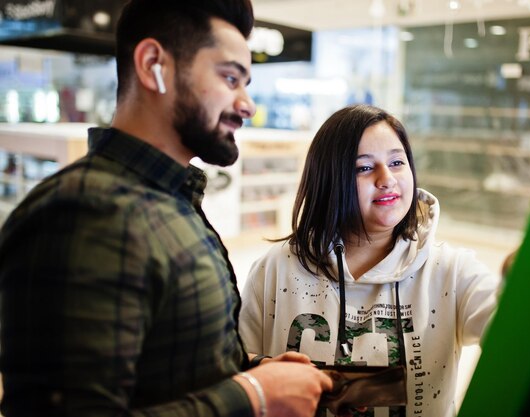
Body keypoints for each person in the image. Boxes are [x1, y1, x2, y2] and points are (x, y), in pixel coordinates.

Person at [0, 0, 332, 416]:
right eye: (230, 78)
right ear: (154, 64)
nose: (247, 104)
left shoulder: (166, 201)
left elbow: (169, 372)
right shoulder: (84, 213)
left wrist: (250, 375)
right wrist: (253, 395)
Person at [239, 104, 503, 417]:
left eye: (396, 162)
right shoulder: (277, 268)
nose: (387, 178)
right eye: (364, 168)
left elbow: (511, 327)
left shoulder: (451, 271)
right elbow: (237, 361)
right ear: (329, 179)